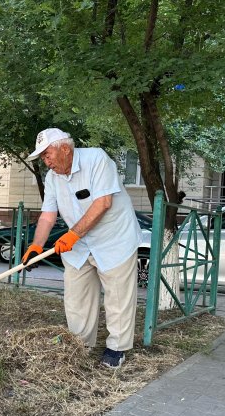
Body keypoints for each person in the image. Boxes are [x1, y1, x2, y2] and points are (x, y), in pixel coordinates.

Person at [21, 128, 141, 368]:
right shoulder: (53, 178)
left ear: (65, 148)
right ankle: (80, 344)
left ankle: (116, 348)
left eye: (47, 155)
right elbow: (48, 215)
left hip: (114, 239)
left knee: (118, 298)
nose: (46, 162)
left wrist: (73, 234)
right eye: (43, 158)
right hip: (78, 245)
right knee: (76, 298)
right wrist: (36, 245)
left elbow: (103, 202)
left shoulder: (96, 159)